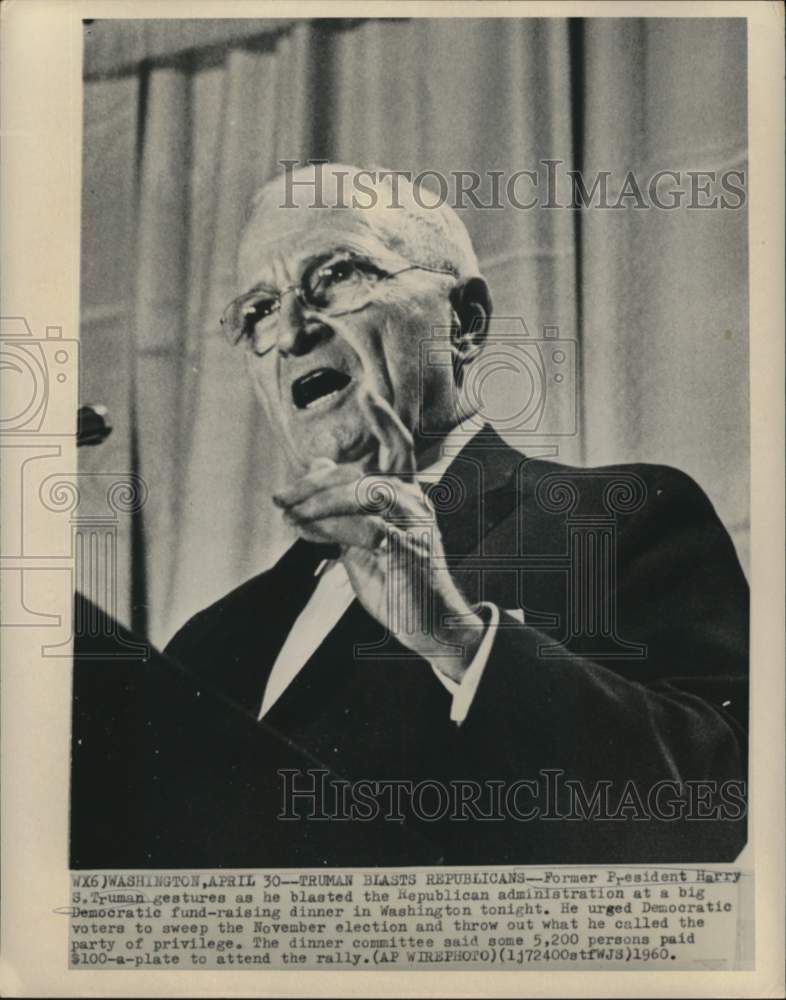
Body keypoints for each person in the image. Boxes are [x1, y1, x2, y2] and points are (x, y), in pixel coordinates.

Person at [161, 163, 748, 866]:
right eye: (257, 311)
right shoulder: (207, 642)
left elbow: (710, 801)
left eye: (337, 277)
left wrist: (454, 638)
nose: (289, 333)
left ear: (464, 322)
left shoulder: (617, 520)